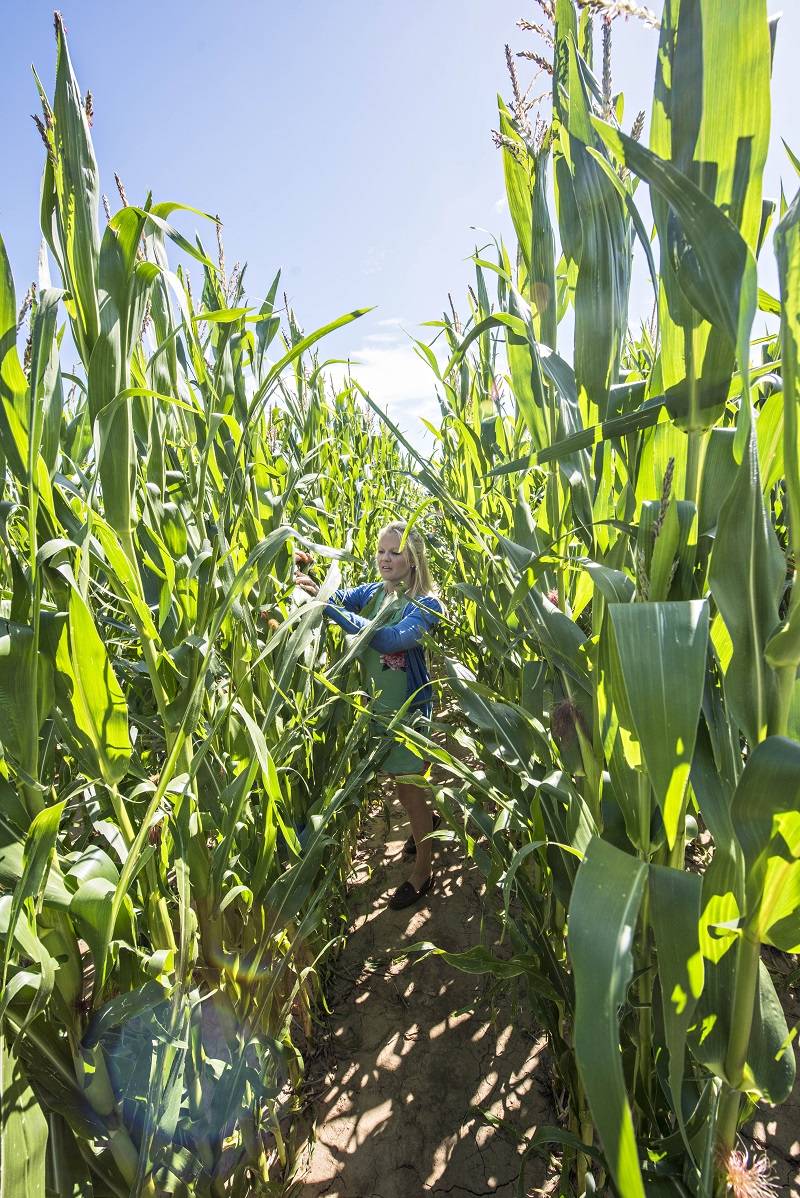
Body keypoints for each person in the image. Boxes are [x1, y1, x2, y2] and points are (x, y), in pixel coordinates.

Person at [295, 521, 443, 910]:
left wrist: (332, 609)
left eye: (395, 552)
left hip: (408, 716)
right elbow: (337, 598)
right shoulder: (374, 593)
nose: (385, 558)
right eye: (381, 551)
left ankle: (424, 870)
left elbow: (391, 638)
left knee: (408, 791)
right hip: (375, 712)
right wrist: (308, 579)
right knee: (404, 785)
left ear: (413, 559)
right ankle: (425, 825)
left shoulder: (426, 605)